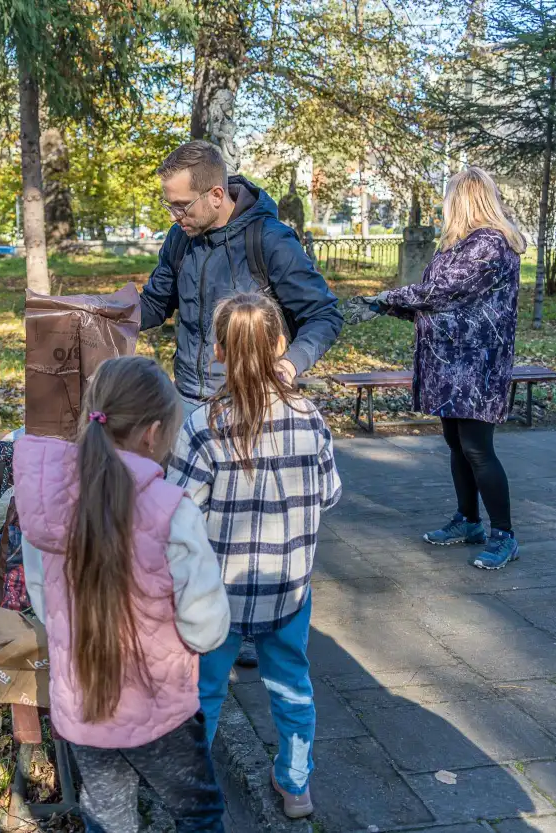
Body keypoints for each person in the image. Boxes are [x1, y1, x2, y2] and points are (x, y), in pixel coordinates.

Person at [141, 140, 342, 668]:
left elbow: (323, 315)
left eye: (180, 205)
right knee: (190, 521)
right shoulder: (180, 239)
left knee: (245, 527)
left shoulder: (271, 241)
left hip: (251, 406)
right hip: (189, 401)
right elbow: (154, 303)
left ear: (215, 194)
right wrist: (94, 315)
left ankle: (248, 627)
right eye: (168, 205)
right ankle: (205, 625)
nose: (173, 215)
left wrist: (291, 363)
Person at [12, 356, 231, 833]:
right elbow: (207, 627)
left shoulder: (46, 504)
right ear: (153, 433)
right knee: (198, 813)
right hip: (161, 707)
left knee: (107, 820)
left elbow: (44, 602)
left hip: (84, 700)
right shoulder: (173, 510)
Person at [170, 293, 342, 820]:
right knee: (292, 685)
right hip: (288, 588)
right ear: (281, 345)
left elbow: (177, 512)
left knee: (206, 692)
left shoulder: (203, 425)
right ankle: (295, 786)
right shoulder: (308, 417)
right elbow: (329, 493)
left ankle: (195, 782)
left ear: (217, 350)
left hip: (217, 594)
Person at [343, 166, 528, 571]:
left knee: (479, 449)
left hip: (477, 365)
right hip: (447, 362)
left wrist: (384, 297)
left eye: (448, 200)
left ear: (462, 200)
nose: (444, 208)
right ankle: (468, 521)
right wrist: (385, 306)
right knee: (457, 445)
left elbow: (441, 292)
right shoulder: (454, 246)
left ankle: (504, 535)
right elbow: (433, 304)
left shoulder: (491, 245)